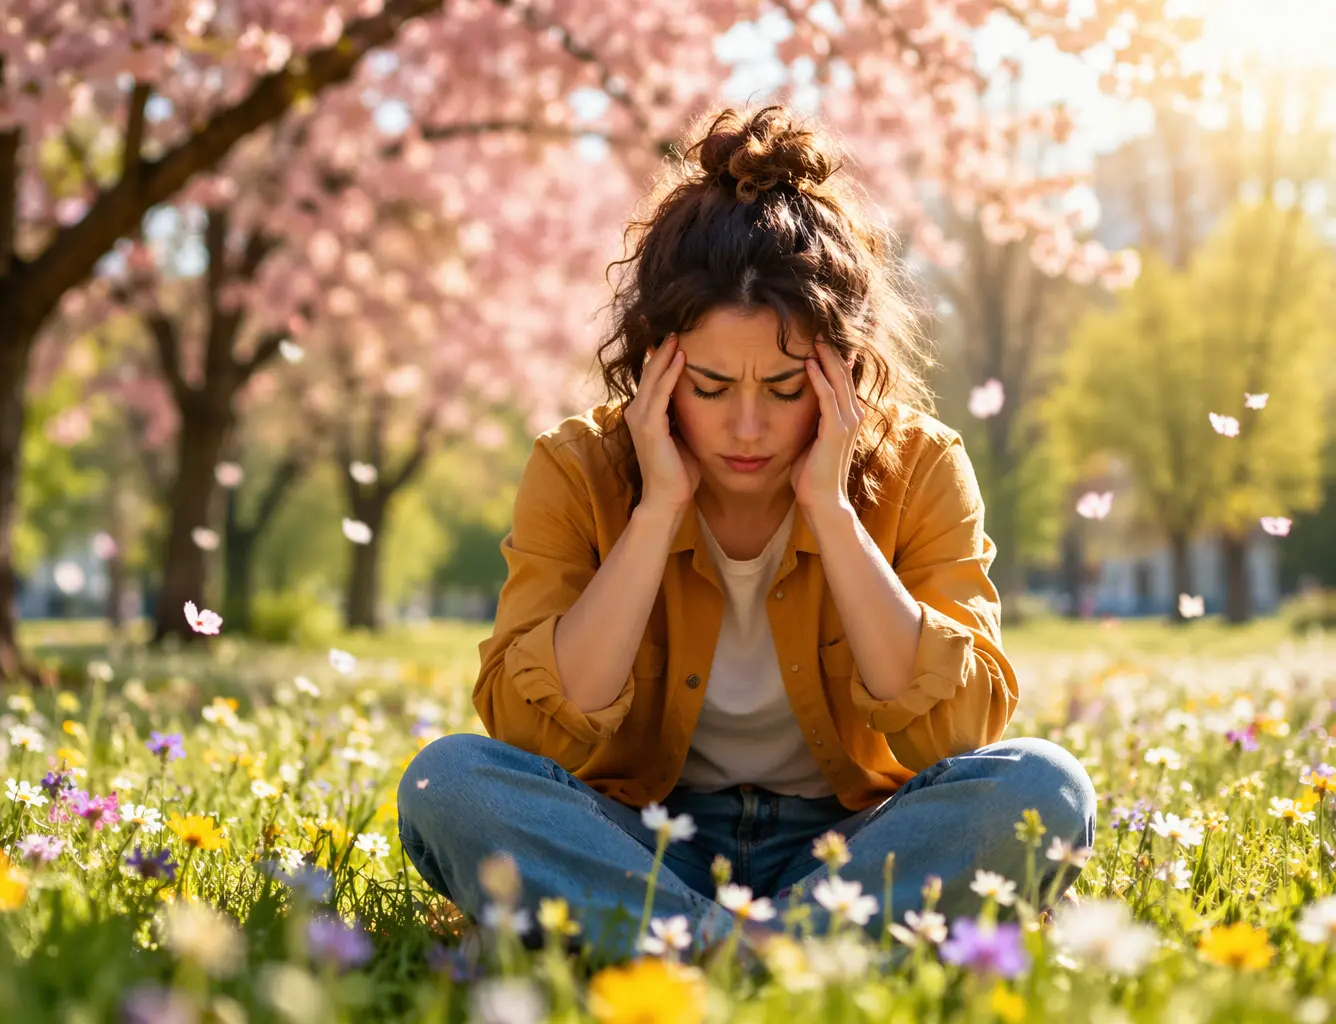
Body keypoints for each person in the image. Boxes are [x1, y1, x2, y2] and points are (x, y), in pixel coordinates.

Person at [398, 104, 1094, 960]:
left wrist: (834, 513)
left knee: (1046, 787)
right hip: (639, 845)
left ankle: (691, 952)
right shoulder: (577, 468)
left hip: (849, 844)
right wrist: (654, 511)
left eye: (786, 386)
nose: (749, 428)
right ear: (655, 361)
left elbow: (956, 737)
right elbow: (531, 736)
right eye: (713, 386)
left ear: (842, 367)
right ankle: (787, 957)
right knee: (448, 782)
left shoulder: (921, 467)